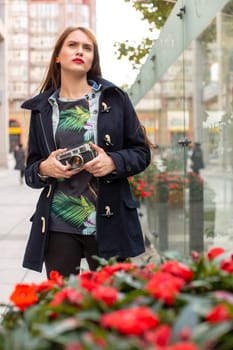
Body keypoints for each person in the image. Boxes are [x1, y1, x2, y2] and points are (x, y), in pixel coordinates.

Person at [21, 26, 151, 278]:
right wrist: (44, 169)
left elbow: (141, 152)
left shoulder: (115, 99)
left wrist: (112, 162)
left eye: (87, 47)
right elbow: (31, 171)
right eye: (72, 45)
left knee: (111, 306)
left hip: (109, 221)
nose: (80, 50)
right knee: (63, 305)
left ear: (92, 59)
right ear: (58, 56)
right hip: (58, 223)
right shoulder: (42, 109)